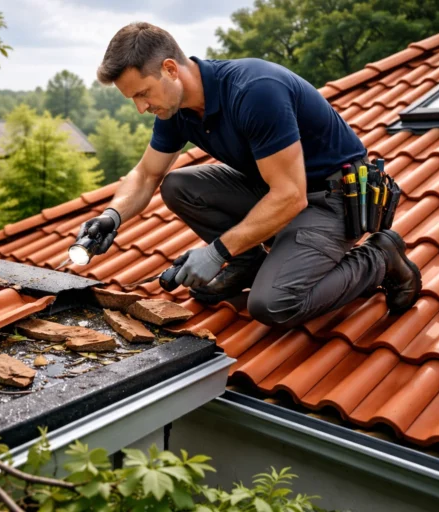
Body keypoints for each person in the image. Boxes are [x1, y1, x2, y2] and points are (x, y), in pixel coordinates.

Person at [75, 22, 421, 329]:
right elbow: (147, 174)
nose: (140, 107)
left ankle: (381, 256)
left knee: (272, 305)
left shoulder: (254, 91)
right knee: (178, 185)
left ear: (170, 69)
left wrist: (216, 252)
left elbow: (290, 195)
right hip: (276, 186)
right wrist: (112, 215)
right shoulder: (175, 110)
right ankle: (247, 263)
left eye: (142, 93)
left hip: (331, 198)